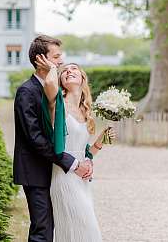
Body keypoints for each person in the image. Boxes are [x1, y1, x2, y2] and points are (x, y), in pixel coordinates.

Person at [13, 35, 93, 242]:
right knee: (43, 230)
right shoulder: (26, 91)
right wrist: (72, 163)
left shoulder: (56, 90)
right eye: (56, 57)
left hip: (56, 172)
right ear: (42, 60)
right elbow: (35, 138)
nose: (61, 61)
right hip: (35, 172)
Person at [35, 55, 117, 242]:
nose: (69, 71)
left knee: (83, 230)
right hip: (64, 176)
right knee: (85, 229)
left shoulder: (85, 111)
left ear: (82, 78)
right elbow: (49, 83)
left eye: (74, 69)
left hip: (83, 181)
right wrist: (53, 68)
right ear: (61, 80)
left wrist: (100, 142)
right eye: (65, 71)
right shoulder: (57, 103)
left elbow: (84, 151)